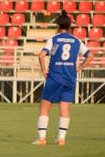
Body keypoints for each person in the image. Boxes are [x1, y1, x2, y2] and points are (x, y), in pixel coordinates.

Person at [33, 10, 93, 146]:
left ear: (58, 26)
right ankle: (61, 139)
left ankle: (42, 138)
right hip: (70, 78)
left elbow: (42, 55)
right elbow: (90, 56)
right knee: (65, 108)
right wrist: (80, 67)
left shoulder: (54, 39)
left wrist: (43, 70)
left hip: (54, 77)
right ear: (70, 26)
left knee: (44, 107)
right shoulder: (77, 41)